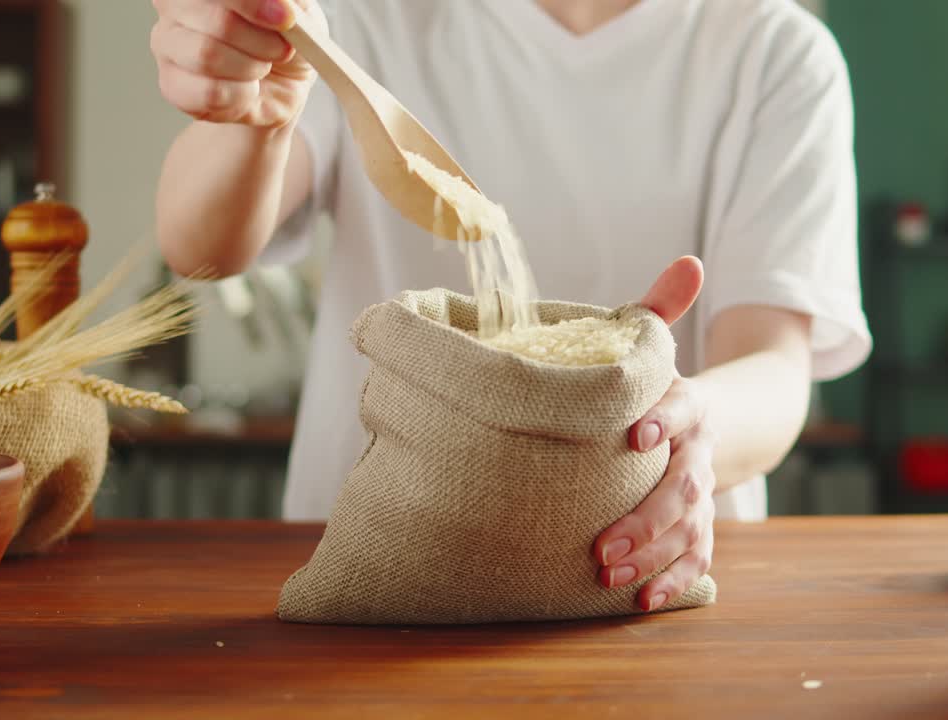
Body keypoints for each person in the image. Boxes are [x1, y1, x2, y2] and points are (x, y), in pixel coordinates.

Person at [151, 0, 870, 611]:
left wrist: (691, 423)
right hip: (377, 578)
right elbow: (203, 249)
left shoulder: (773, 51)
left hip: (642, 579)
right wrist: (257, 114)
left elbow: (773, 365)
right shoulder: (358, 18)